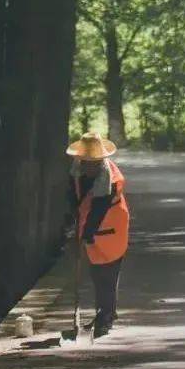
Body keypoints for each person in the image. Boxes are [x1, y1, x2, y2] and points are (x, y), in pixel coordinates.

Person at [64, 131, 130, 337]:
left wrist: (83, 236)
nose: (89, 166)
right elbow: (74, 200)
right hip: (92, 229)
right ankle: (105, 311)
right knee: (96, 274)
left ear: (101, 160)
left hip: (112, 229)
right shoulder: (76, 171)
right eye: (85, 162)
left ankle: (105, 317)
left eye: (94, 162)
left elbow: (97, 212)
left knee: (107, 275)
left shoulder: (107, 180)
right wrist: (72, 227)